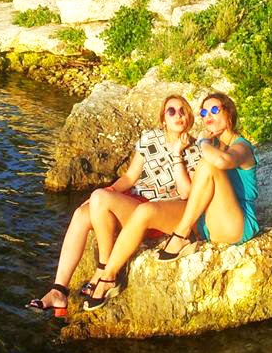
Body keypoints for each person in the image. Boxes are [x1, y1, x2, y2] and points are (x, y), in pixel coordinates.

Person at [26, 94, 201, 317]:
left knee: (99, 198)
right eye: (171, 111)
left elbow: (188, 193)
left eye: (183, 111)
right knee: (82, 213)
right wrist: (107, 193)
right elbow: (129, 179)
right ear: (163, 119)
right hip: (135, 203)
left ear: (189, 119)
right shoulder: (150, 139)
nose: (178, 115)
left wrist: (178, 155)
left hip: (159, 212)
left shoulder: (194, 149)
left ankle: (105, 271)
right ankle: (58, 290)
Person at [84, 92, 259, 311]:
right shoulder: (206, 146)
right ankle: (108, 276)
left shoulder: (241, 146)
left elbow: (222, 162)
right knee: (144, 211)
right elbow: (195, 190)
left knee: (208, 164)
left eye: (215, 110)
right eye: (204, 112)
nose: (208, 116)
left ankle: (180, 235)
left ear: (229, 114)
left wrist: (203, 142)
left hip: (234, 224)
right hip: (204, 223)